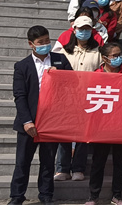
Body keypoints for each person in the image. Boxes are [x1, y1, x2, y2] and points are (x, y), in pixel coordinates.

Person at [9, 26, 73, 205]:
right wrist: (27, 121)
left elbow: (72, 84)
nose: (45, 44)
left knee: (48, 161)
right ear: (31, 44)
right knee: (22, 162)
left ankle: (46, 195)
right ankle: (17, 196)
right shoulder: (22, 66)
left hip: (51, 121)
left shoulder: (60, 60)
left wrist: (58, 77)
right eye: (40, 42)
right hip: (29, 122)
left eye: (47, 40)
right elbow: (20, 95)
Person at [52, 16, 102, 182]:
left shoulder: (98, 52)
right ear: (74, 30)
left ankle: (78, 168)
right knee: (64, 134)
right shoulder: (64, 51)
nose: (84, 32)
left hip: (88, 98)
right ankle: (62, 168)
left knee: (83, 135)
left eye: (87, 29)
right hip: (66, 98)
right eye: (81, 29)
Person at [86, 42, 122, 205]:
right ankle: (93, 196)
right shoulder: (96, 75)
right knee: (98, 162)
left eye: (120, 55)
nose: (119, 58)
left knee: (120, 162)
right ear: (104, 58)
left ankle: (117, 195)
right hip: (102, 126)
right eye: (115, 56)